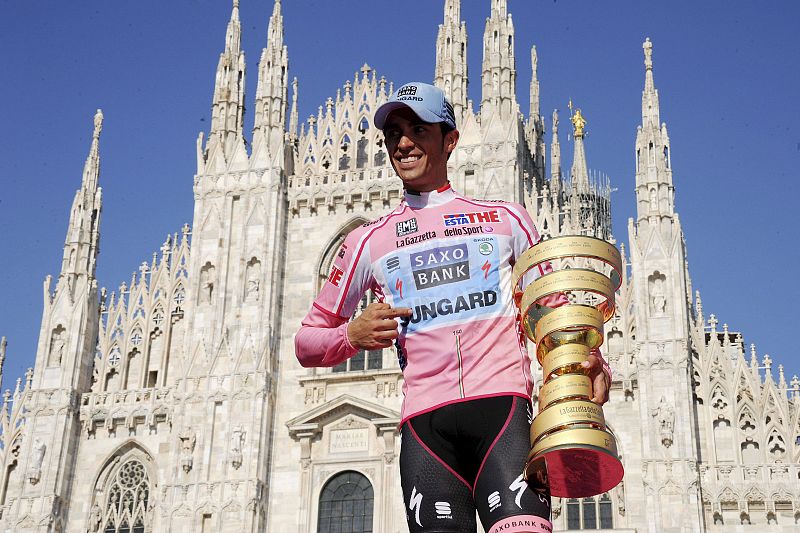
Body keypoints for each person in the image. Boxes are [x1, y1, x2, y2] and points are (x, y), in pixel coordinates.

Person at [295, 82, 611, 533]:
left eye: (417, 130)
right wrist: (351, 335)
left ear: (449, 140)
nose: (402, 143)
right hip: (426, 432)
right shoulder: (369, 240)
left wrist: (591, 359)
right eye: (394, 134)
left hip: (503, 415)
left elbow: (554, 306)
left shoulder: (506, 218)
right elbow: (307, 341)